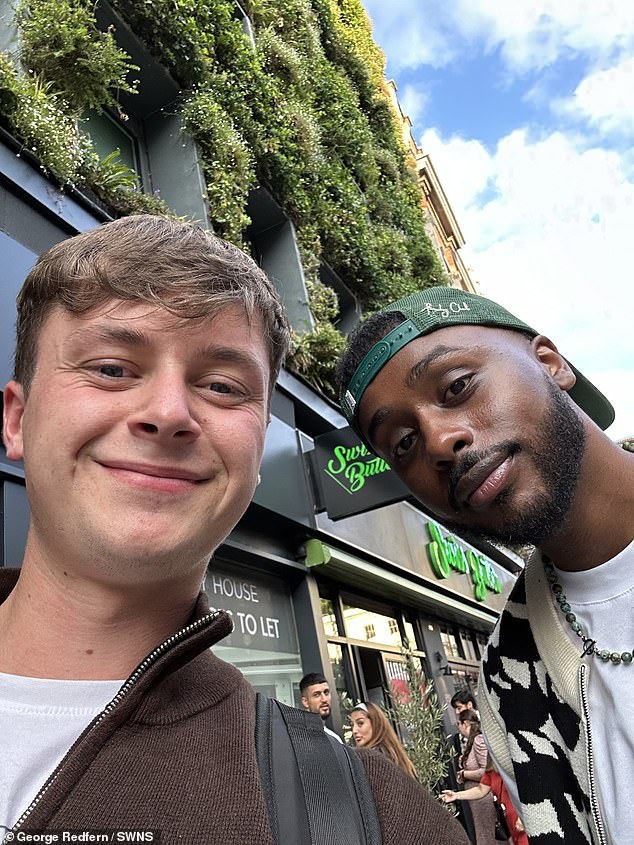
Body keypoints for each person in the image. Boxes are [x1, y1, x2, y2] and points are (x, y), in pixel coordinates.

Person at [0, 217, 470, 845]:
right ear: (17, 421)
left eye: (222, 386)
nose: (168, 414)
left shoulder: (375, 817)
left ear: (256, 450)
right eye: (112, 368)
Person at [337, 285, 634, 844]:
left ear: (550, 362)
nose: (440, 443)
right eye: (402, 444)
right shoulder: (508, 683)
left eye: (456, 386)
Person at [441, 756, 528, 845]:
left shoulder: (519, 768)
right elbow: (481, 790)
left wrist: (526, 817)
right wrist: (456, 795)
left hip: (524, 823)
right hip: (512, 825)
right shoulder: (492, 770)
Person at [450, 710, 497, 845]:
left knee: (489, 836)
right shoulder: (470, 741)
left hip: (484, 798)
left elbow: (486, 770)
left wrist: (465, 774)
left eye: (459, 724)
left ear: (465, 723)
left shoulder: (478, 740)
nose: (458, 728)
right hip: (476, 799)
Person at [350, 702, 417, 779]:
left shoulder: (372, 758)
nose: (354, 730)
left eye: (360, 723)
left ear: (375, 723)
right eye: (352, 725)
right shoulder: (393, 754)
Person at [299, 672, 342, 742]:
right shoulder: (300, 737)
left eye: (326, 692)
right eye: (316, 695)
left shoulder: (335, 739)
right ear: (305, 702)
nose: (324, 699)